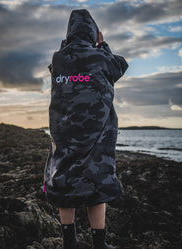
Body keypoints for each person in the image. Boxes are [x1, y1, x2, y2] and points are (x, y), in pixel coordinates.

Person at [43, 9, 129, 249]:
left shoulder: (58, 58)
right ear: (93, 33)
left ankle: (69, 241)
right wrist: (103, 46)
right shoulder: (101, 57)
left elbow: (55, 70)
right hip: (97, 135)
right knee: (97, 184)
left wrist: (66, 45)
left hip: (64, 132)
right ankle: (99, 244)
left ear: (69, 33)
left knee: (64, 180)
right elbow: (119, 66)